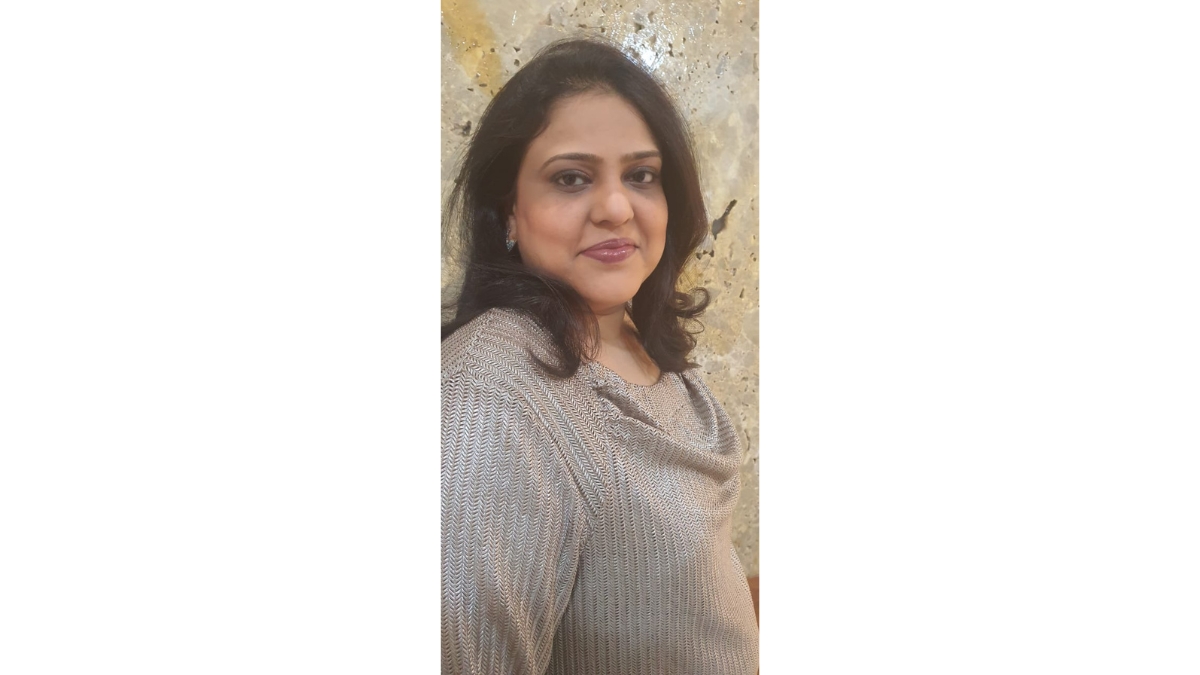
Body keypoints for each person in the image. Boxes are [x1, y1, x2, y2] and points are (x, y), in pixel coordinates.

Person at [441, 37, 758, 675]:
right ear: (508, 211)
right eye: (571, 178)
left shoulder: (633, 335)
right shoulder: (495, 394)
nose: (616, 208)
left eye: (641, 176)